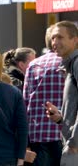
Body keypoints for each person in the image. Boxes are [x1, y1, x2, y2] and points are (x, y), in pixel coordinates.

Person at [23, 26, 65, 166]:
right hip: (65, 133)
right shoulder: (69, 63)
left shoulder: (33, 65)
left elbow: (25, 102)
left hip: (38, 133)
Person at [44, 21, 78, 165]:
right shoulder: (71, 65)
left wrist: (74, 141)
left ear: (75, 40)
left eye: (60, 37)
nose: (54, 42)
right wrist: (60, 119)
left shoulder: (76, 63)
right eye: (52, 38)